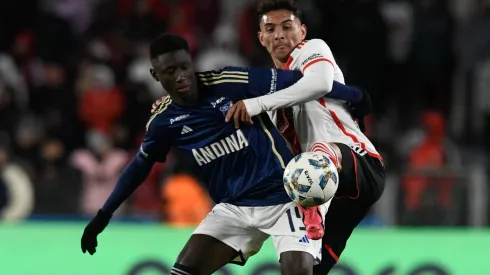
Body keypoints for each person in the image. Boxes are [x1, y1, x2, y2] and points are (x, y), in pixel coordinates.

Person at [80, 33, 367, 275]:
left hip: (284, 199)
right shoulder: (163, 122)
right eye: (170, 72)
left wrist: (355, 96)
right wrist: (104, 215)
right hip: (234, 209)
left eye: (184, 67)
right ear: (156, 75)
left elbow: (300, 81)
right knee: (183, 270)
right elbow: (140, 165)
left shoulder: (230, 82)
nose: (181, 77)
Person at [226, 0, 386, 273]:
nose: (280, 34)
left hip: (357, 164)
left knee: (315, 159)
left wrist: (257, 105)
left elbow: (321, 83)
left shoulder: (310, 50)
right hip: (335, 200)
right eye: (271, 29)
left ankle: (311, 204)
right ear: (261, 37)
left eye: (287, 27)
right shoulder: (270, 92)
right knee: (307, 268)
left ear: (302, 30)